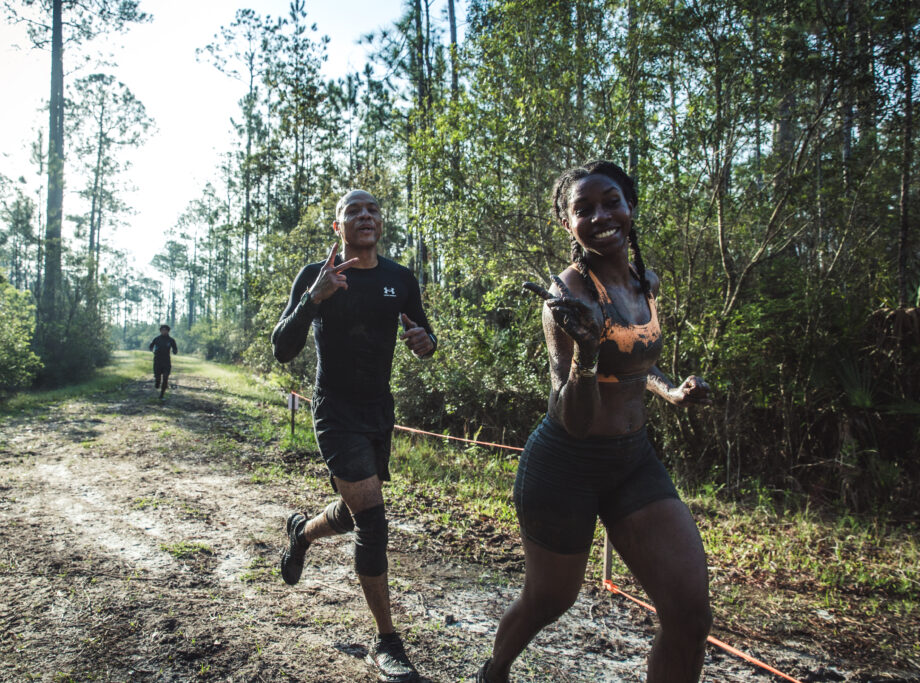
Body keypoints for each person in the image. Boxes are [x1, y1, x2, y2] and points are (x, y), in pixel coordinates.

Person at [478, 161, 713, 683]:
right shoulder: (567, 300)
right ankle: (494, 672)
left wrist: (670, 389)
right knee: (548, 600)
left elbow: (638, 361)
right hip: (565, 466)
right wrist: (586, 350)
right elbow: (574, 418)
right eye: (583, 209)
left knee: (690, 613)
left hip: (633, 462)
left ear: (630, 208)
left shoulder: (644, 282)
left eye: (611, 202)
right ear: (567, 224)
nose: (601, 216)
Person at [271, 189, 436, 683]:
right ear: (338, 226)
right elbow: (282, 348)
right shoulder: (318, 276)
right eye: (353, 211)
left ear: (379, 224)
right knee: (374, 520)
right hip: (334, 410)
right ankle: (387, 643)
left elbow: (425, 340)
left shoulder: (399, 279)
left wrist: (426, 343)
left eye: (372, 211)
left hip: (378, 411)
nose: (365, 216)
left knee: (355, 508)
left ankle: (301, 533)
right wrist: (312, 298)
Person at [149, 325, 178, 399]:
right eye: (162, 330)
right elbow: (151, 346)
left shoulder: (171, 340)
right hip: (157, 360)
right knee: (158, 378)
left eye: (165, 330)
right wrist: (152, 350)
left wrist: (175, 351)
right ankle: (157, 382)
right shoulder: (156, 339)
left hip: (166, 361)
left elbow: (175, 348)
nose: (164, 331)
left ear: (168, 331)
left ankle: (161, 395)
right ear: (160, 331)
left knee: (165, 378)